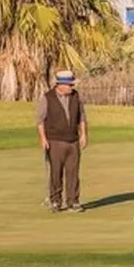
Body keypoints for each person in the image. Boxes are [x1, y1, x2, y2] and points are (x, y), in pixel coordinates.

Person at [37, 70, 89, 212]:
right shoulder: (47, 98)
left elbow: (82, 117)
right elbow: (40, 121)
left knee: (73, 173)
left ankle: (73, 201)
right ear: (60, 84)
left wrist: (84, 135)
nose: (71, 87)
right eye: (69, 85)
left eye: (72, 84)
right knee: (56, 172)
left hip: (73, 140)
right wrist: (43, 139)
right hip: (54, 141)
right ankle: (55, 201)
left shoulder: (75, 96)